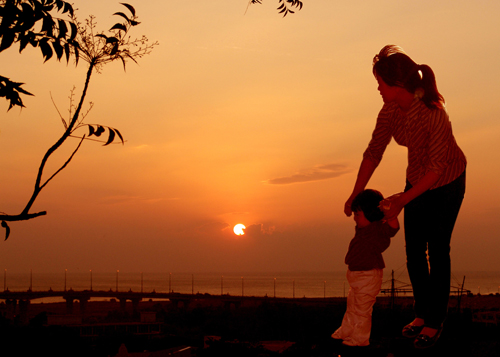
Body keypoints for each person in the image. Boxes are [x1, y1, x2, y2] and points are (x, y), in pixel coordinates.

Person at [344, 45, 466, 349]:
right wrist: (356, 192)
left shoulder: (434, 115)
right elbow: (374, 152)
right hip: (416, 179)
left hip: (447, 181)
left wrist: (402, 199)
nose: (378, 89)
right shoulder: (389, 110)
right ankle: (422, 313)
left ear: (397, 85)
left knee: (437, 249)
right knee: (413, 250)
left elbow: (436, 170)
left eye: (380, 83)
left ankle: (436, 321)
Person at [332, 189, 399, 347]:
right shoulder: (362, 228)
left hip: (368, 275)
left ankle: (360, 339)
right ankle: (347, 329)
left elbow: (393, 228)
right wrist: (350, 205)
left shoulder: (378, 227)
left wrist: (390, 213)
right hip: (356, 274)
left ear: (370, 213)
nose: (355, 218)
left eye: (358, 214)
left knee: (362, 310)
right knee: (352, 305)